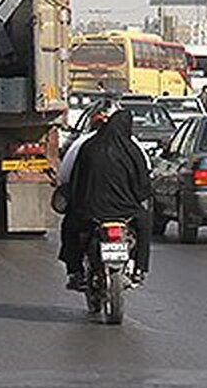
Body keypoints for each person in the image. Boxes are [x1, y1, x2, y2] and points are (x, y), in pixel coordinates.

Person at [58, 109, 153, 290]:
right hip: (127, 212)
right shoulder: (133, 149)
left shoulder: (86, 146)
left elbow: (70, 178)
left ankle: (75, 272)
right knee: (145, 225)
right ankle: (140, 269)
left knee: (69, 226)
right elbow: (144, 185)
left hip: (89, 211)